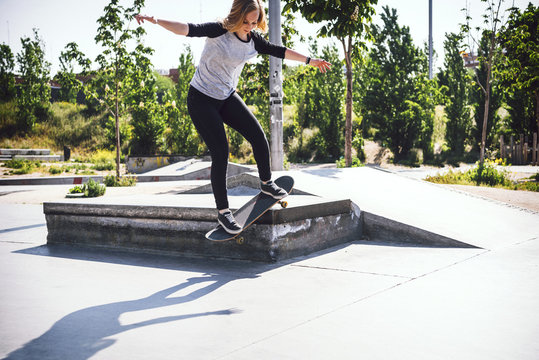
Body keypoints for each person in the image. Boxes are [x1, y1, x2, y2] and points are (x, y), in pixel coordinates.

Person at [136, 0, 331, 234]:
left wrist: (310, 60)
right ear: (237, 16)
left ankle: (267, 184)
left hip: (226, 96)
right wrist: (156, 21)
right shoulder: (220, 30)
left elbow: (279, 51)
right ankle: (224, 213)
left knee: (259, 137)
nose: (249, 27)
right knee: (221, 152)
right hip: (201, 99)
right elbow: (188, 28)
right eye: (246, 21)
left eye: (254, 22)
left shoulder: (254, 40)